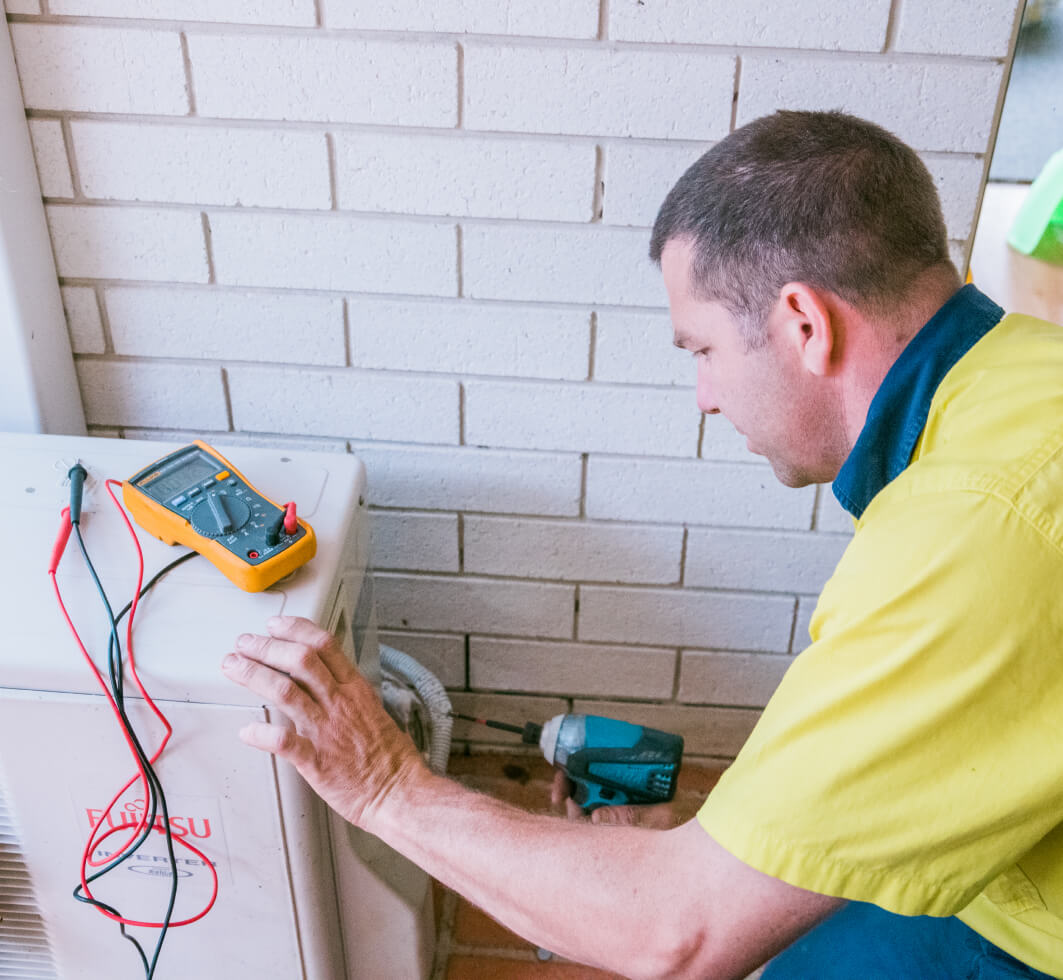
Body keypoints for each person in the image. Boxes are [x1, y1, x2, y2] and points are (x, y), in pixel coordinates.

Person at [221, 110, 1063, 979]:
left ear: (803, 324)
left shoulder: (976, 530)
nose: (702, 394)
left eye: (700, 348)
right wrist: (724, 851)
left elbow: (677, 935)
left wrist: (384, 787)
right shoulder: (1024, 373)